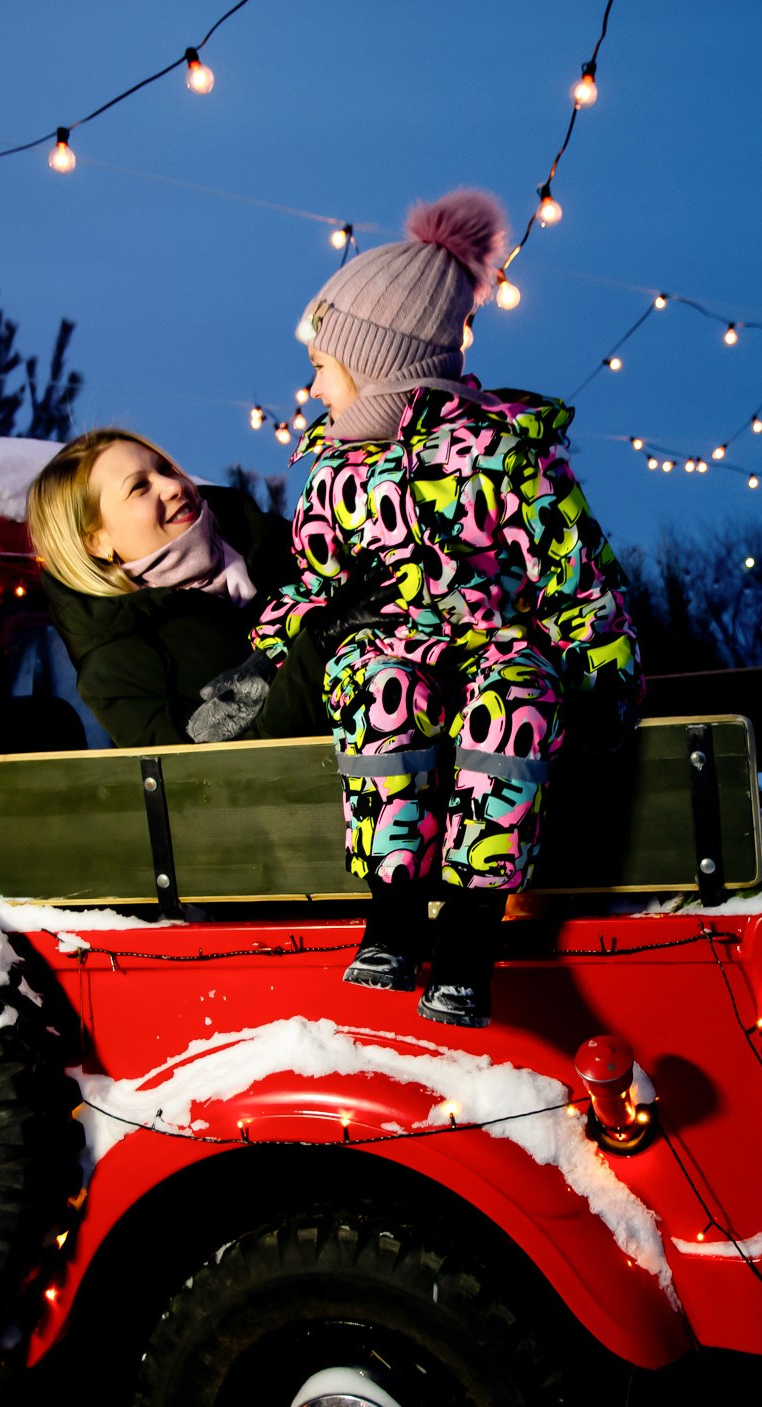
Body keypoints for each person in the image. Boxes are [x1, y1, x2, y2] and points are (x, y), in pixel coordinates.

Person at [248, 189, 641, 1028]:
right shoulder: (335, 474)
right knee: (378, 689)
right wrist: (269, 653)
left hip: (499, 639)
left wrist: (604, 671)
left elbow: (573, 571)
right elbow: (315, 583)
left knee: (518, 704)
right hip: (395, 641)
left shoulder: (503, 455)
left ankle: (469, 935)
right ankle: (393, 914)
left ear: (377, 365)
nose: (312, 387)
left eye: (323, 365)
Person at [24, 429, 326, 747]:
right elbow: (212, 772)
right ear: (96, 541)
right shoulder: (115, 669)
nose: (173, 486)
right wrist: (316, 647)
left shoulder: (285, 541)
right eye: (139, 487)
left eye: (165, 469)